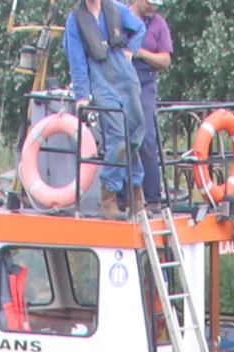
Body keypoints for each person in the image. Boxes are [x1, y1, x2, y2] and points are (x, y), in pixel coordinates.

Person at [60, 0, 149, 211]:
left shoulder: (117, 9)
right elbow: (76, 60)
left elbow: (139, 28)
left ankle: (132, 186)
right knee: (117, 134)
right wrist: (82, 96)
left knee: (136, 130)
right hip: (100, 81)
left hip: (125, 76)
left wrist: (131, 49)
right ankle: (109, 192)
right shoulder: (75, 20)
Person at [130, 6, 175, 203]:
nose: (154, 7)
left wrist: (140, 53)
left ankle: (153, 197)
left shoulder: (158, 23)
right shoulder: (119, 15)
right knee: (120, 139)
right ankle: (124, 196)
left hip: (146, 83)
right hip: (120, 82)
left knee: (147, 138)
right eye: (150, 2)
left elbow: (165, 60)